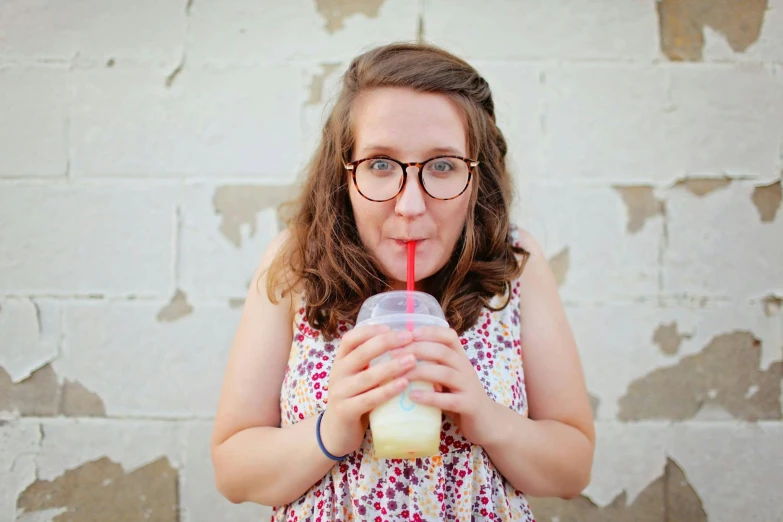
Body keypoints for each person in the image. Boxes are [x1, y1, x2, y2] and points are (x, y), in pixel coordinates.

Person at [210, 42, 595, 521]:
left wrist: (487, 419)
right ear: (343, 174)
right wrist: (333, 430)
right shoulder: (294, 264)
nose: (410, 205)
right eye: (379, 164)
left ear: (479, 177)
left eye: (442, 165)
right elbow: (232, 473)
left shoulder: (516, 263)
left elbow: (572, 470)